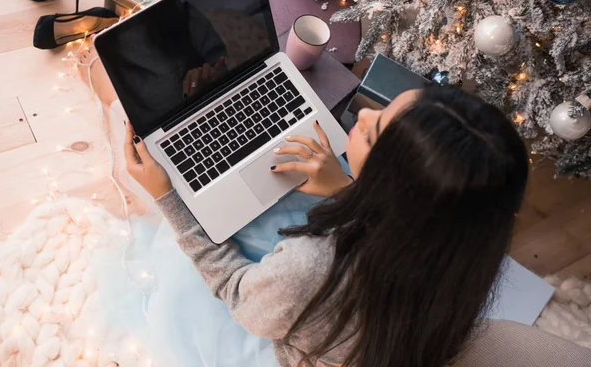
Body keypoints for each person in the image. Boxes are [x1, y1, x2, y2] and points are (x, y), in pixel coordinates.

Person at [124, 84, 590, 367]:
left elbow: (235, 290)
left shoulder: (309, 267)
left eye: (371, 131)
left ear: (394, 187)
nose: (361, 113)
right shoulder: (464, 250)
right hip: (394, 338)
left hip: (305, 337)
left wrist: (168, 198)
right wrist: (347, 185)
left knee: (169, 264)